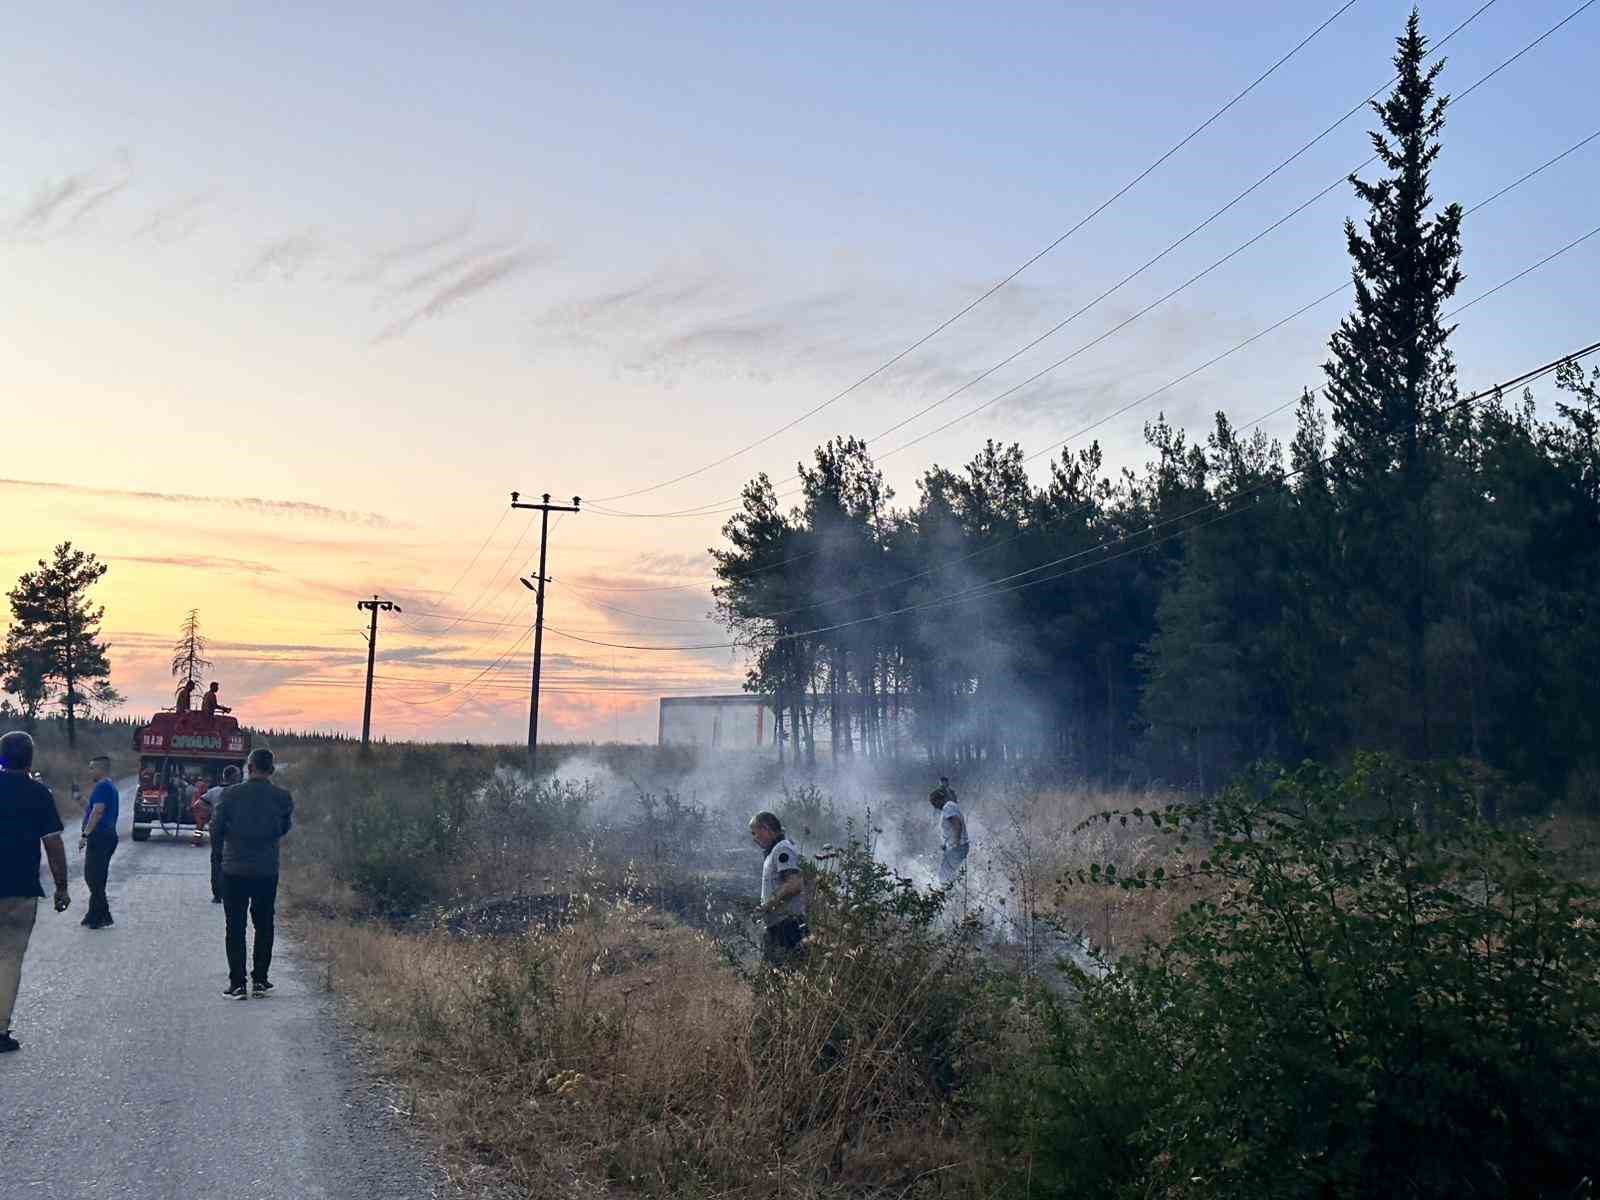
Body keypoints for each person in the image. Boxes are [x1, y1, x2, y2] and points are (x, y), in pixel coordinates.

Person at [0, 731, 72, 1053]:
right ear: (30, 759)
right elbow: (53, 843)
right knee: (9, 958)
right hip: (19, 889)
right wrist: (61, 887)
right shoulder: (39, 794)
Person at [211, 747, 292, 999]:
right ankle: (260, 980)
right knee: (264, 924)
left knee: (235, 926)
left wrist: (220, 854)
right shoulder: (282, 796)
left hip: (234, 868)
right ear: (271, 769)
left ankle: (237, 984)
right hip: (267, 869)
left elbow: (217, 827)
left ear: (250, 767)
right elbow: (284, 827)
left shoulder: (231, 794)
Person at [748, 810, 807, 966]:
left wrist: (767, 906)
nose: (754, 839)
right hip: (778, 926)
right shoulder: (774, 851)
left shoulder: (782, 849)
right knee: (773, 979)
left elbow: (794, 884)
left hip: (787, 926)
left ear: (766, 829)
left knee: (786, 975)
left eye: (755, 833)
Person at [79, 754, 120, 929]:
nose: (90, 771)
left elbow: (98, 812)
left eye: (92, 767)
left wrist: (85, 835)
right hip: (106, 836)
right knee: (97, 877)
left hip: (101, 837)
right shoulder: (107, 787)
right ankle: (92, 914)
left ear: (100, 769)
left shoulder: (102, 787)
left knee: (93, 877)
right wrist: (79, 799)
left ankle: (102, 915)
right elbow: (91, 808)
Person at [200, 765, 239, 901]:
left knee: (216, 859)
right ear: (233, 777)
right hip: (233, 828)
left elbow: (199, 803)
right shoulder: (239, 791)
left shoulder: (214, 791)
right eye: (238, 775)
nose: (239, 777)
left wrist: (213, 811)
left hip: (216, 827)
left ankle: (217, 894)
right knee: (233, 859)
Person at [931, 780, 969, 886]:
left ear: (940, 799)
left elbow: (957, 824)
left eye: (934, 802)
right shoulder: (950, 806)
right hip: (957, 846)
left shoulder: (948, 807)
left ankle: (948, 896)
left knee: (944, 875)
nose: (934, 806)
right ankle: (953, 893)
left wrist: (956, 843)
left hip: (958, 846)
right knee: (949, 873)